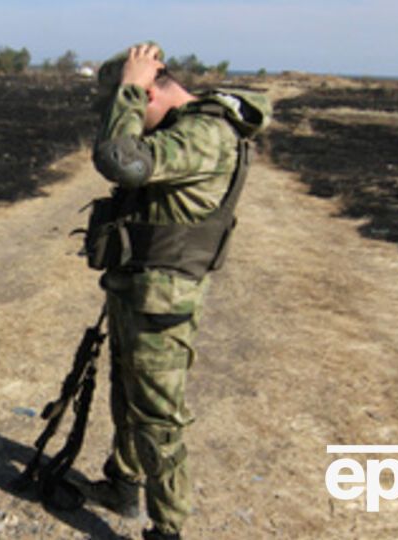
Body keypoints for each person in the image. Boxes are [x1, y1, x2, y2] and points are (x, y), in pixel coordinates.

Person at [79, 43, 271, 540]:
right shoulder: (184, 129)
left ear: (148, 93)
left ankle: (167, 528)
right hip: (140, 287)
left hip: (163, 299)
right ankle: (123, 484)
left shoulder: (204, 134)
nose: (124, 119)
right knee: (127, 393)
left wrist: (129, 87)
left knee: (158, 419)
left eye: (127, 106)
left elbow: (120, 160)